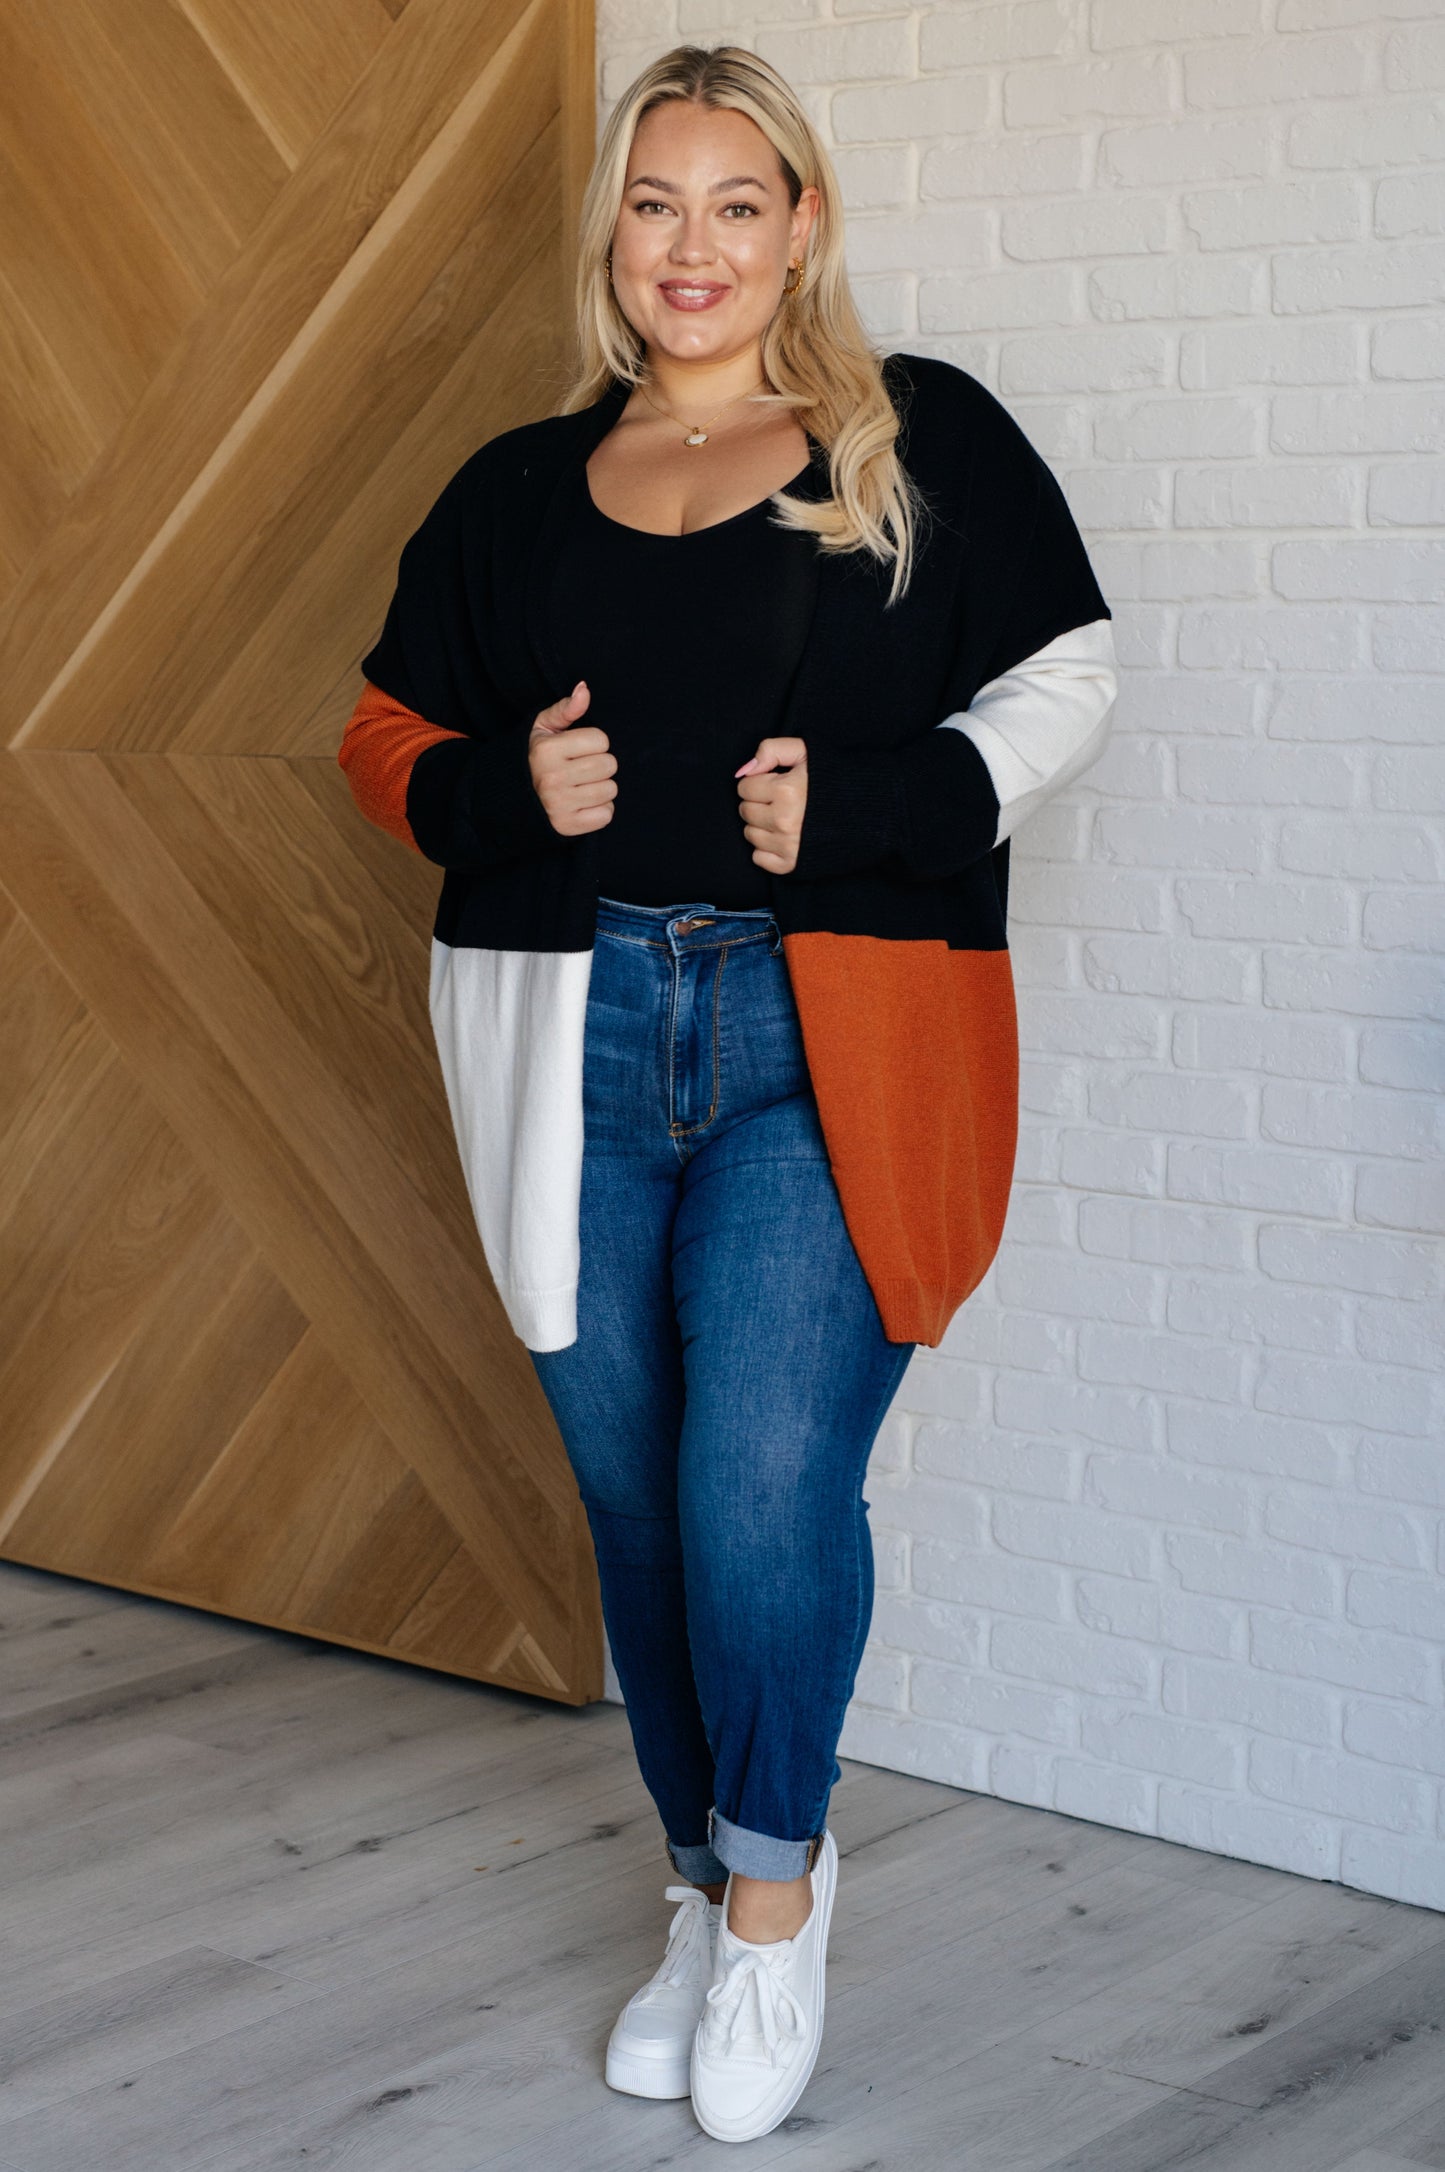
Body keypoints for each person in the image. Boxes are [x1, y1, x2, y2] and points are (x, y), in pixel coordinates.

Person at [339, 41, 1116, 2145]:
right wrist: (514, 790)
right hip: (570, 1036)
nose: (694, 246)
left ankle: (771, 1907)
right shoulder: (512, 490)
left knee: (756, 1495)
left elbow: (1067, 677)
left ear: (802, 225)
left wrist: (884, 797)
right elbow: (386, 736)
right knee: (633, 1504)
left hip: (819, 1034)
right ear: (614, 232)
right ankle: (703, 1881)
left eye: (737, 203)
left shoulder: (909, 436)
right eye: (656, 202)